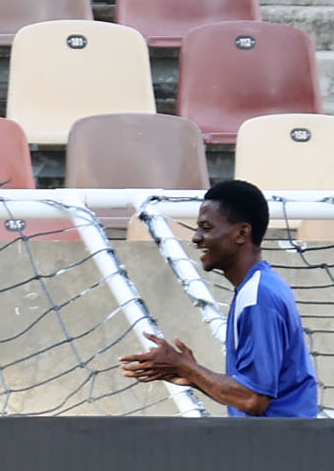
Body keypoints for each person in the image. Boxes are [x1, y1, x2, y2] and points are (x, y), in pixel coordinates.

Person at [121, 179, 321, 418]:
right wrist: (194, 376)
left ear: (241, 233)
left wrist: (185, 366)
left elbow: (253, 399)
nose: (196, 238)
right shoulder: (261, 286)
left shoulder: (258, 296)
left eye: (206, 227)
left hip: (277, 451)